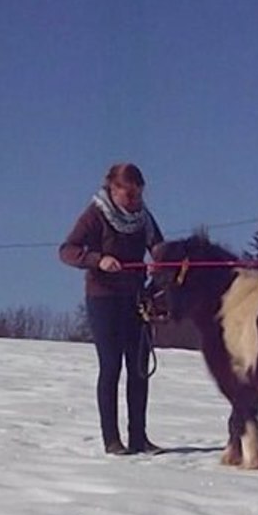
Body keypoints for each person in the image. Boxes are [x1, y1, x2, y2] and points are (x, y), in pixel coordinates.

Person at [59, 163, 165, 455]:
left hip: (135, 298)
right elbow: (66, 250)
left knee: (139, 368)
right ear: (113, 189)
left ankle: (139, 437)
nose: (134, 201)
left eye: (138, 195)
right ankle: (112, 440)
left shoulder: (143, 217)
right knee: (111, 366)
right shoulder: (95, 214)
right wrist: (97, 260)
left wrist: (160, 259)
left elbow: (158, 246)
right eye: (128, 194)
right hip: (103, 299)